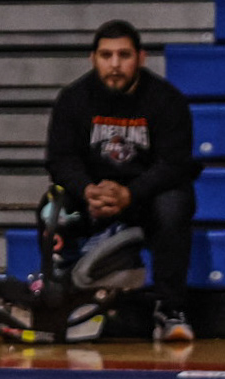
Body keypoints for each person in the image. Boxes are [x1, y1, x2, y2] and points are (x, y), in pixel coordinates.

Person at [45, 19, 201, 342]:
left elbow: (174, 163)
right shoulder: (73, 99)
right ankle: (60, 298)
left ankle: (169, 308)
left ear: (141, 58)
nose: (115, 65)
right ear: (93, 58)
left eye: (124, 55)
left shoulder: (167, 100)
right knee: (52, 207)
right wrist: (87, 190)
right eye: (106, 55)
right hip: (94, 196)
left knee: (176, 202)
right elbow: (60, 160)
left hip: (146, 196)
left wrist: (131, 193)